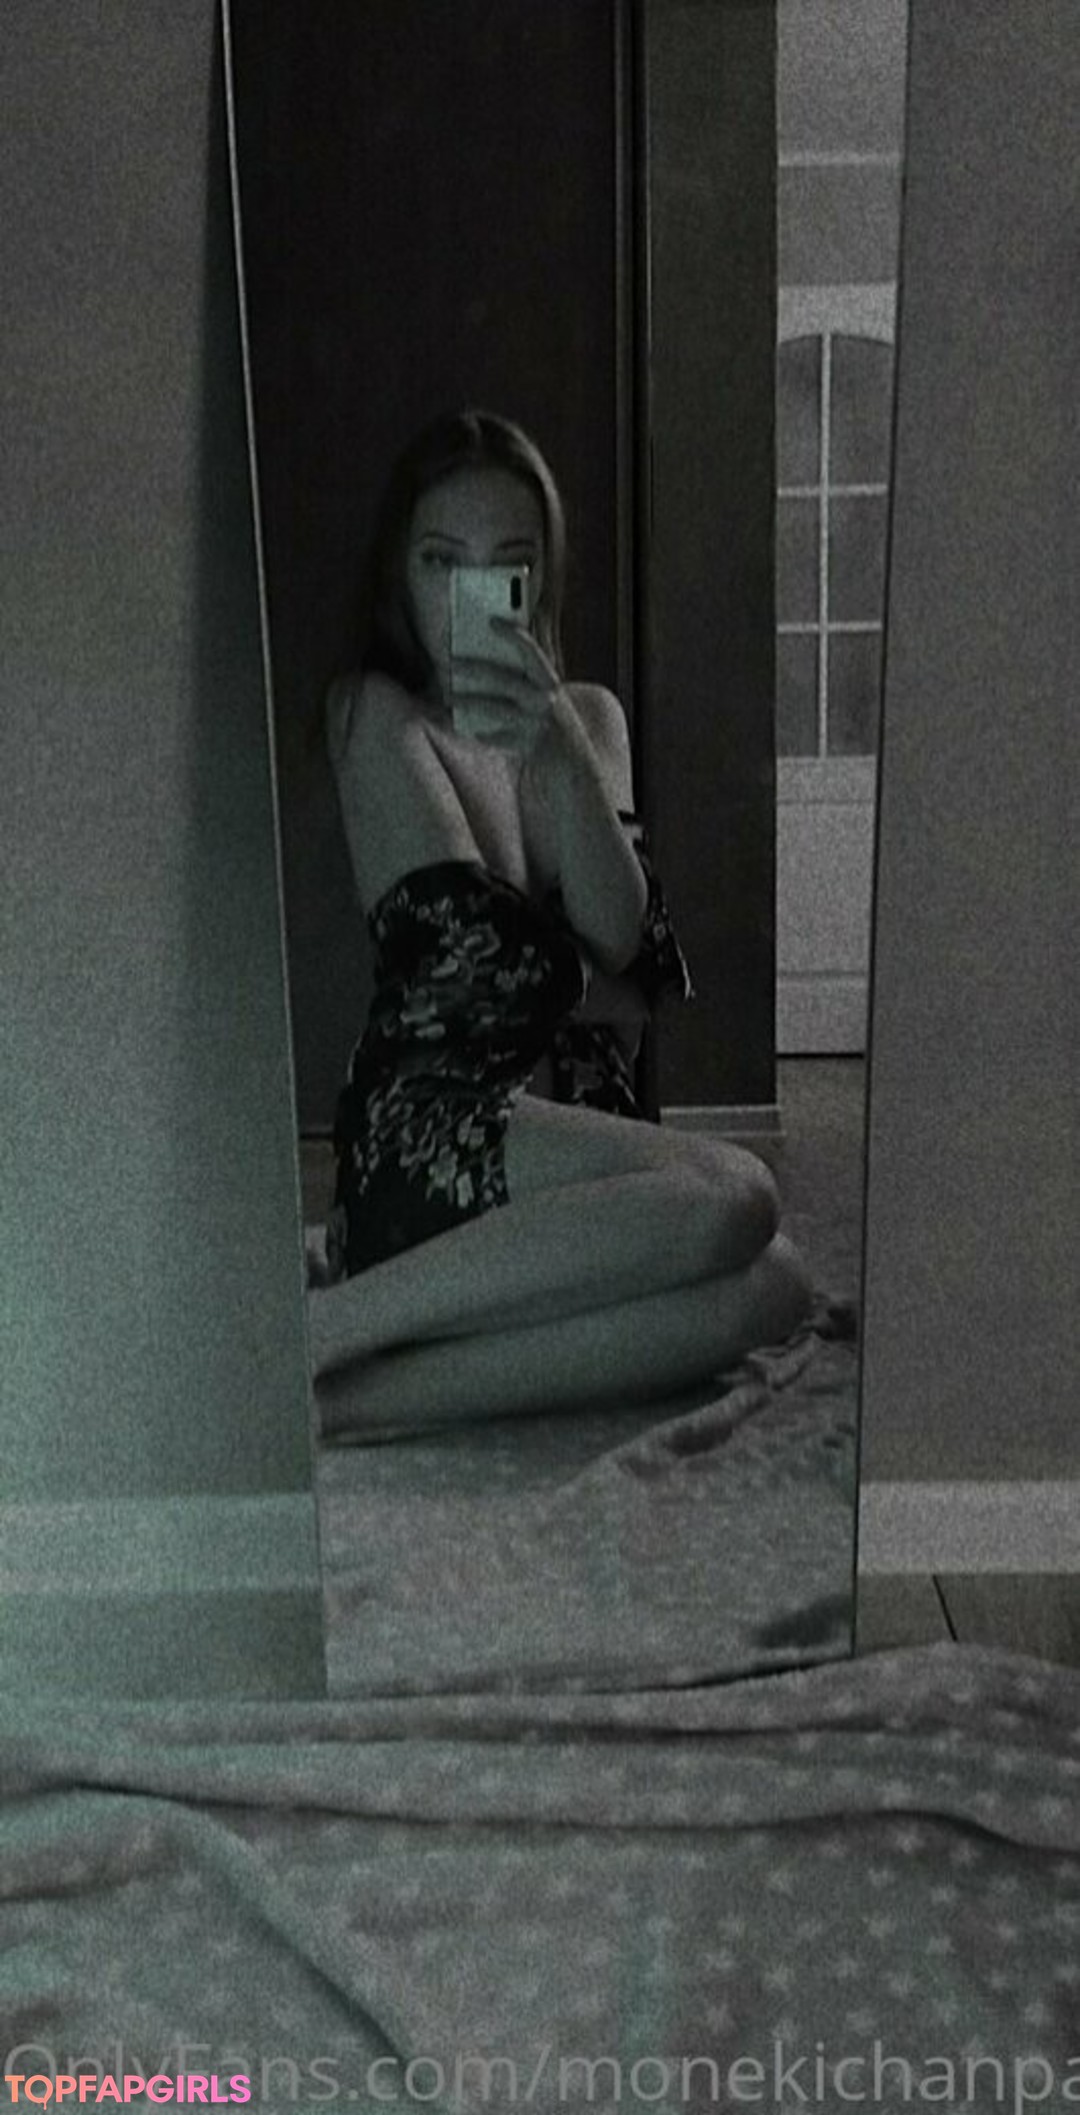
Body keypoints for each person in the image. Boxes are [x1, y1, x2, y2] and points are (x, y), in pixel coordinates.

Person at [320, 408, 812, 1406]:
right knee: (740, 1194)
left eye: (508, 563)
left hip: (578, 1149)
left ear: (542, 575)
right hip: (432, 1131)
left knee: (781, 1285)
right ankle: (331, 1327)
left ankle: (362, 1403)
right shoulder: (376, 714)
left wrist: (557, 756)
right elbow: (493, 983)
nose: (473, 595)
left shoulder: (585, 720)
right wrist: (596, 976)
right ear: (400, 575)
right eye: (441, 562)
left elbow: (630, 944)